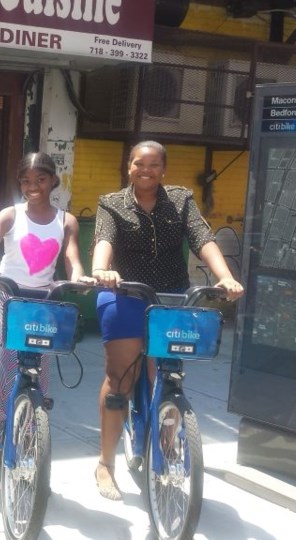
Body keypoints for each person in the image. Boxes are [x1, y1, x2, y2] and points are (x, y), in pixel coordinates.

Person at [90, 140, 244, 500]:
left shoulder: (181, 199)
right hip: (124, 294)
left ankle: (168, 447)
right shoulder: (111, 203)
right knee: (120, 379)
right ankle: (105, 464)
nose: (147, 170)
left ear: (164, 169)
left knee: (167, 376)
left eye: (154, 165)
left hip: (171, 298)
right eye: (139, 164)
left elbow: (202, 238)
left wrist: (224, 276)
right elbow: (104, 240)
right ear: (129, 166)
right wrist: (101, 269)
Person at [0, 152, 94, 460]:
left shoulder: (66, 220)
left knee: (36, 372)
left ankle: (29, 430)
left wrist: (80, 278)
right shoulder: (9, 215)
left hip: (42, 302)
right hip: (3, 295)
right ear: (21, 184)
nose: (34, 186)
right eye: (27, 181)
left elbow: (72, 259)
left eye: (41, 180)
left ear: (53, 181)